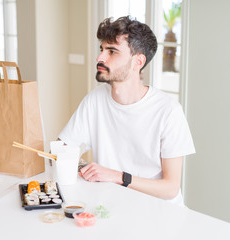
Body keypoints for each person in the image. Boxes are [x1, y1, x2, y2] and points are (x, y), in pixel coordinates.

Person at [58, 16, 195, 206]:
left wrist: (118, 176)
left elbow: (170, 188)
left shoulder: (168, 111)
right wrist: (84, 167)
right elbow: (60, 150)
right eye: (101, 49)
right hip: (114, 206)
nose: (100, 58)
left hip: (160, 214)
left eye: (112, 51)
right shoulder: (95, 100)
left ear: (138, 62)